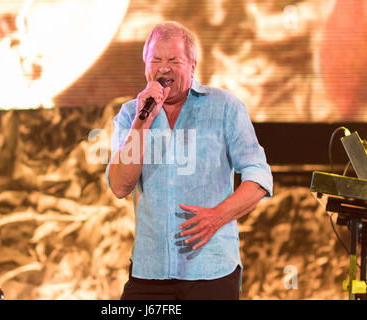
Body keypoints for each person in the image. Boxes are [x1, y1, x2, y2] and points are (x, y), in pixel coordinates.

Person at [106, 21, 273, 300]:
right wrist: (141, 121)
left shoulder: (225, 108)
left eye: (174, 60)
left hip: (211, 271)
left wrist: (217, 217)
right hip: (150, 273)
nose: (163, 68)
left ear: (193, 66)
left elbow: (259, 177)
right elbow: (120, 186)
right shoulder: (130, 115)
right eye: (155, 59)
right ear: (145, 66)